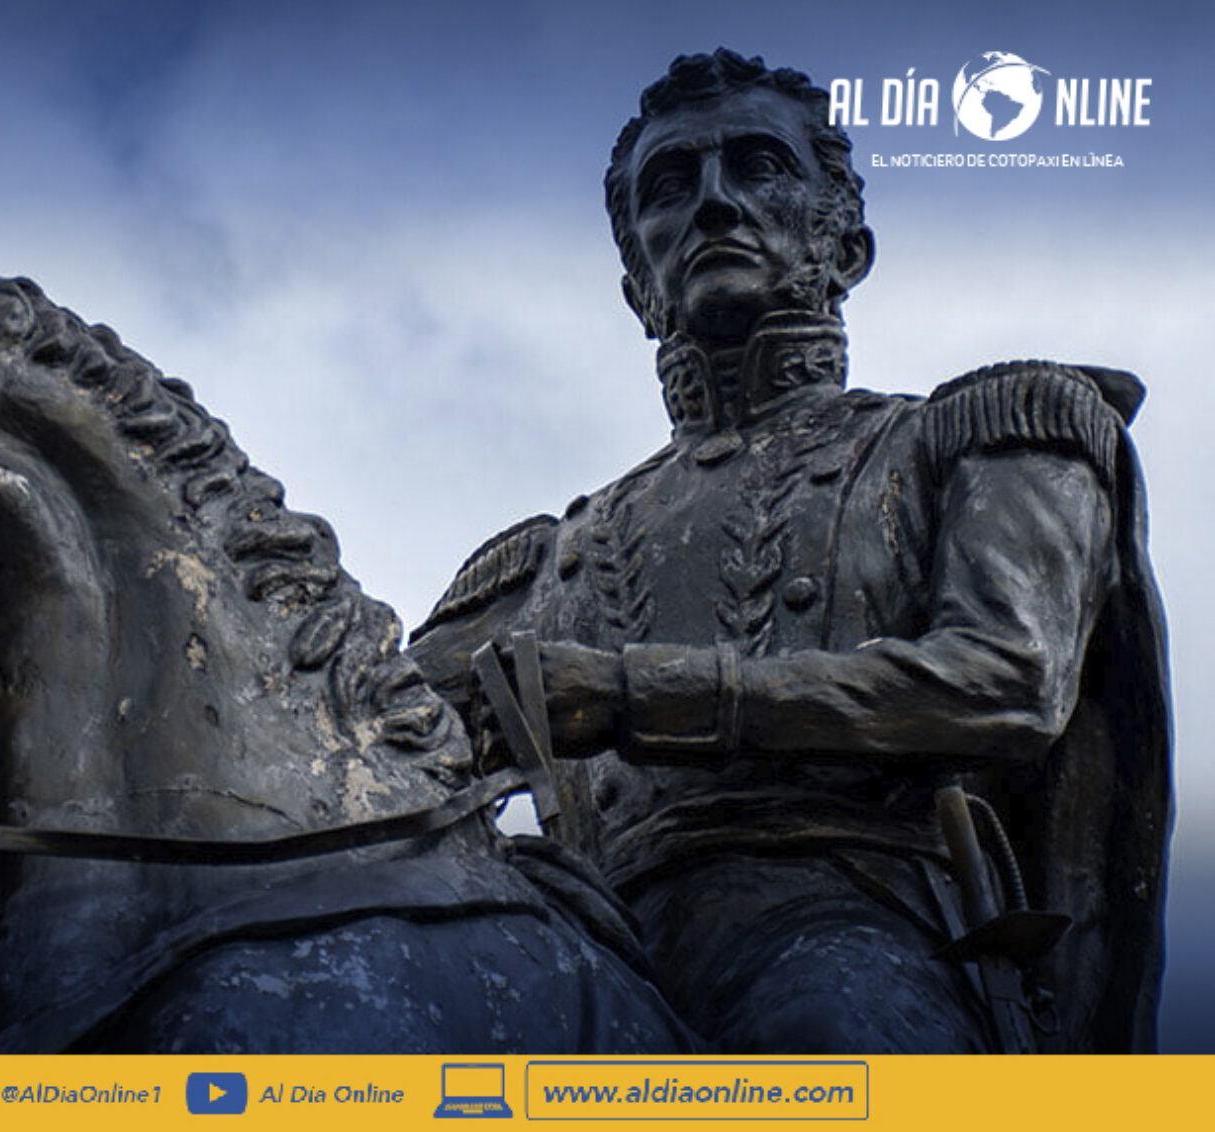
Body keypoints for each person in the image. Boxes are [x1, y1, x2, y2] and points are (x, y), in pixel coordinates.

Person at [406, 49, 1169, 1053]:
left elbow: (1005, 682)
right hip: (579, 943)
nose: (715, 204)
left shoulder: (978, 435)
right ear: (638, 278)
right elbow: (357, 742)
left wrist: (639, 693)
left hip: (857, 917)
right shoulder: (536, 569)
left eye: (758, 167)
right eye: (670, 187)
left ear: (843, 244)